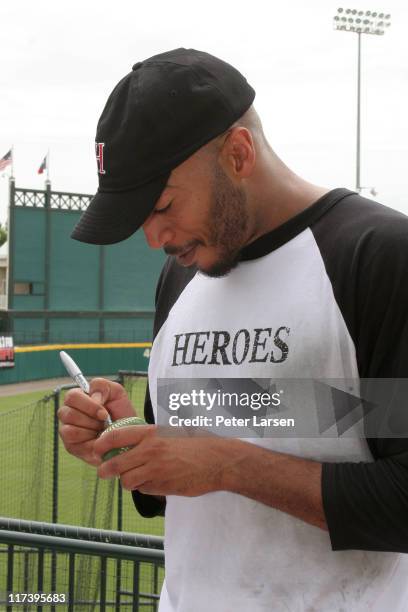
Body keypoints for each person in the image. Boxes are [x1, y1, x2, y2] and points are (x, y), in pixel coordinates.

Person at [58, 48, 408, 611]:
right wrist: (123, 438)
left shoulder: (376, 258)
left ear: (238, 154)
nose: (154, 238)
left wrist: (226, 463)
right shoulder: (181, 274)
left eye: (163, 205)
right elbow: (191, 477)